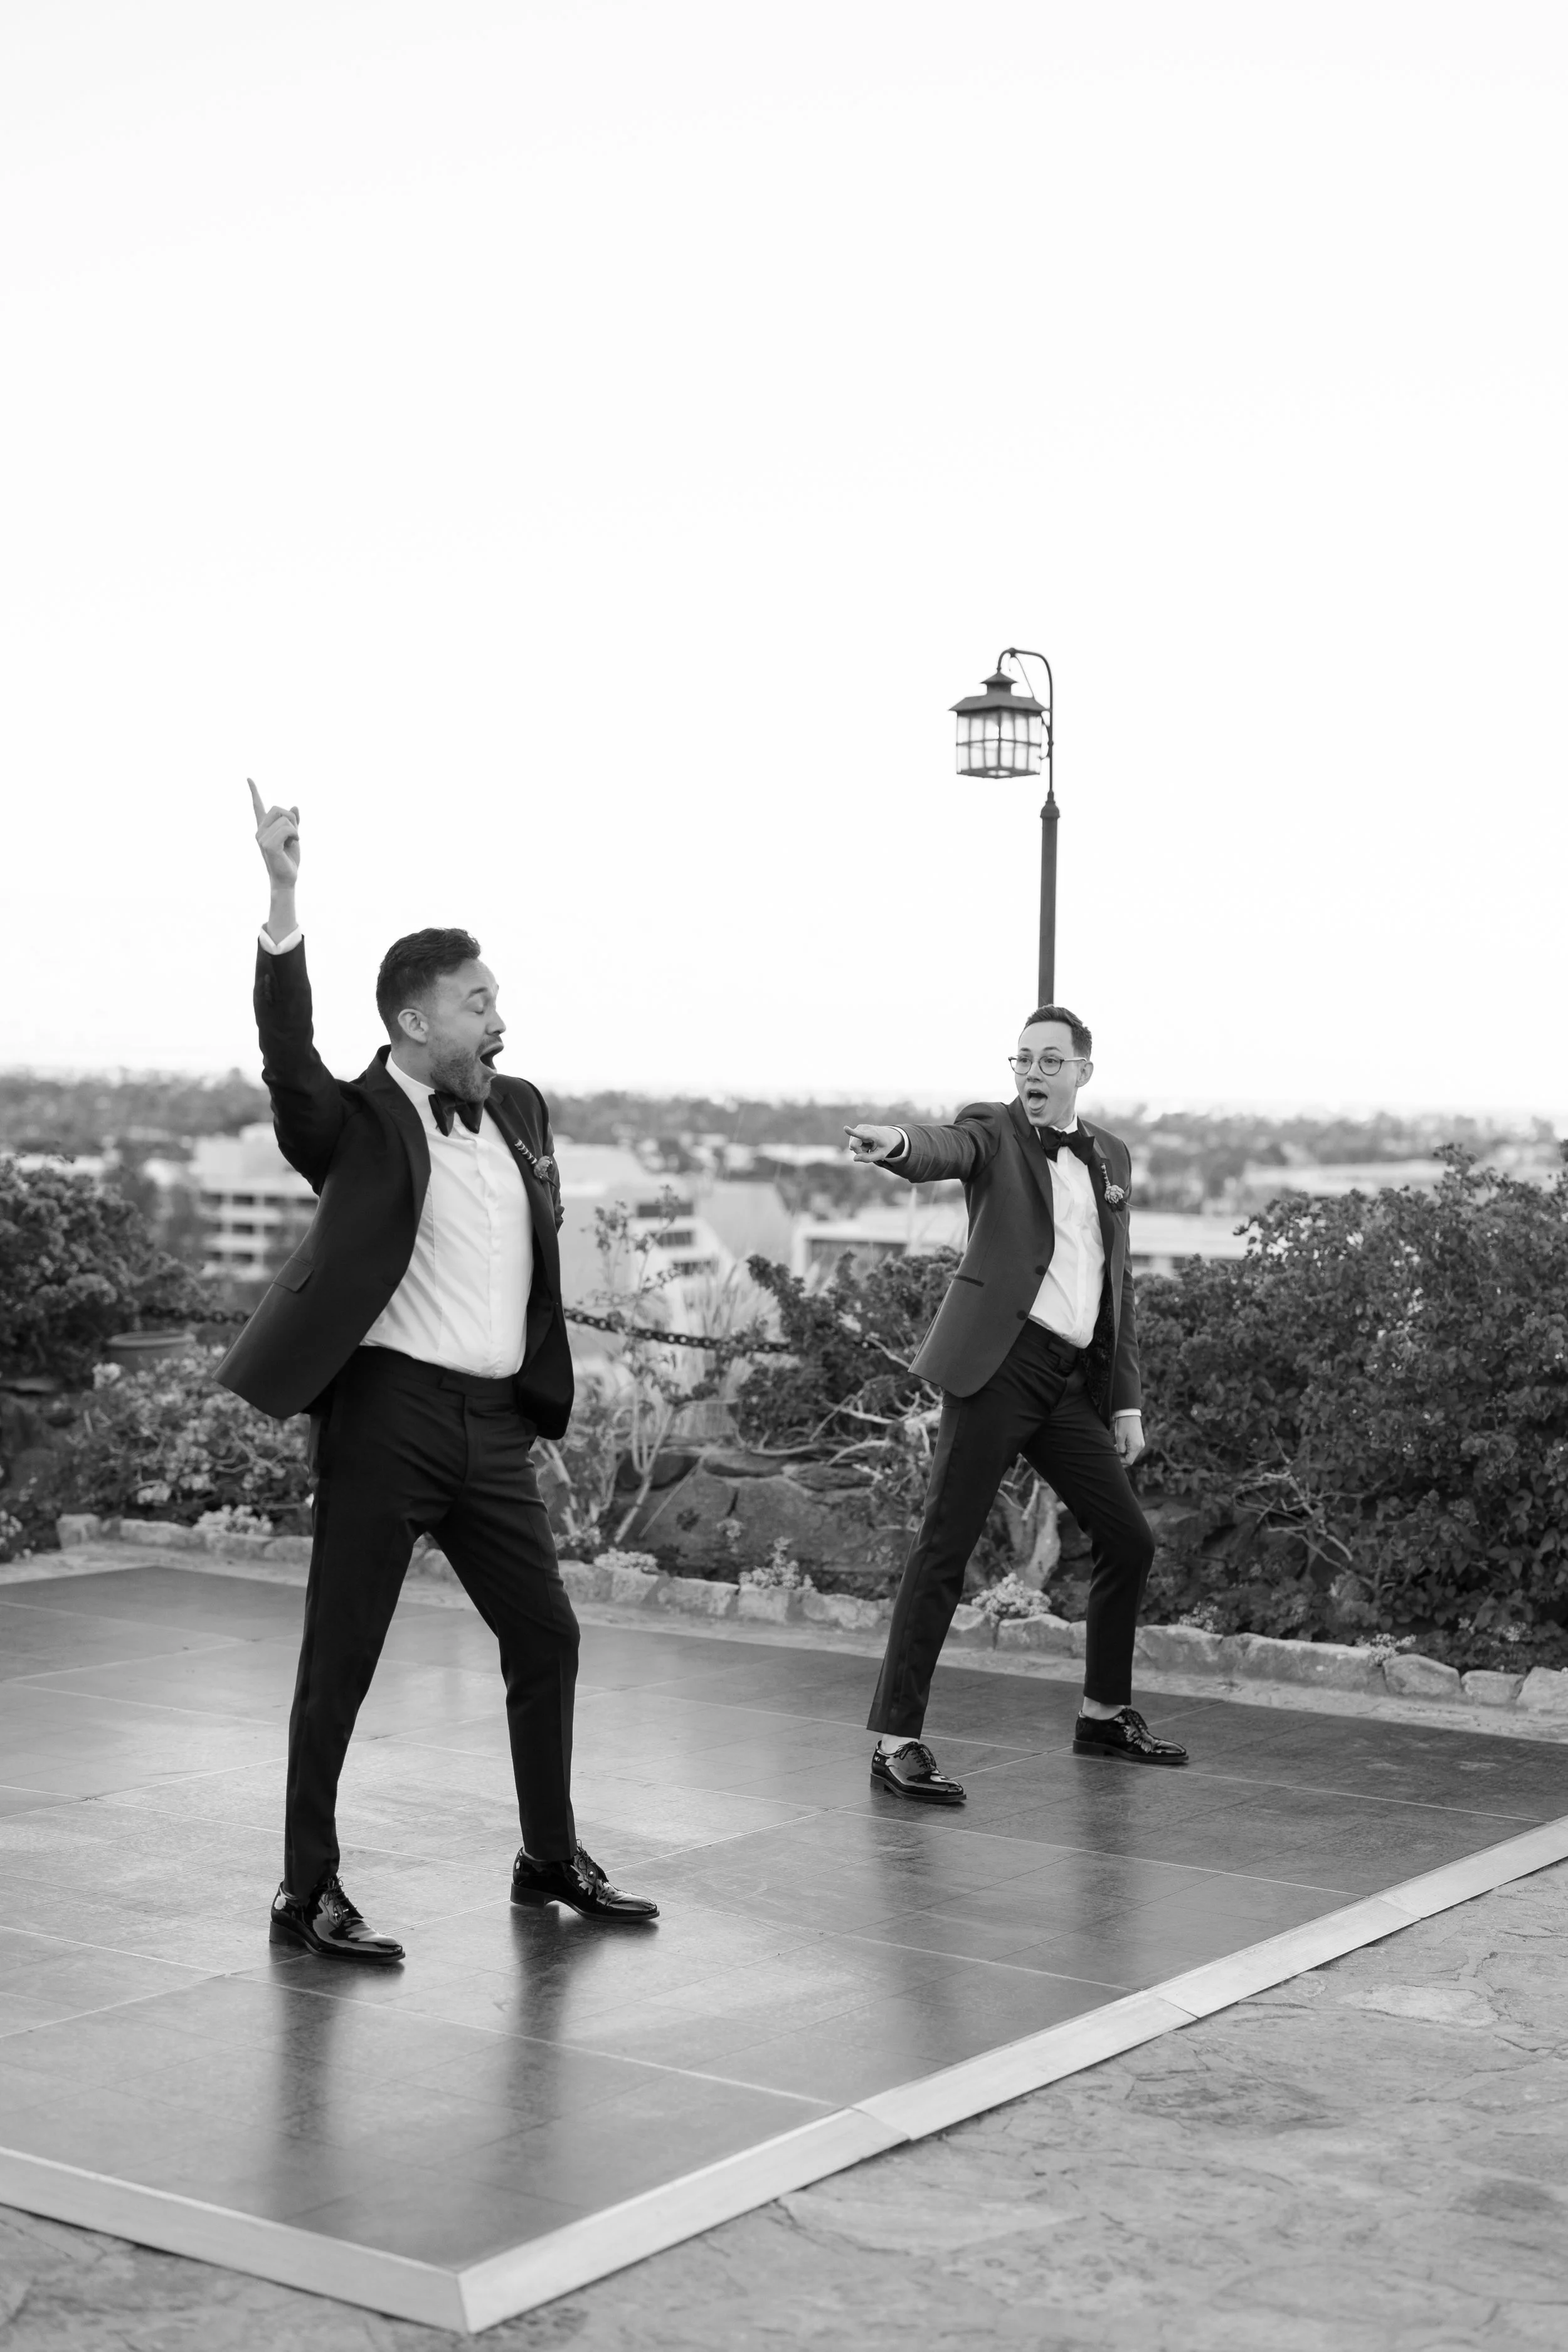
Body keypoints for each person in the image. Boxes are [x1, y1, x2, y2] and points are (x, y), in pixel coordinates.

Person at [221, 783, 657, 1961]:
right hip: (388, 1417)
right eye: (478, 1003)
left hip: (494, 1428)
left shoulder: (518, 1106)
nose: (498, 1018)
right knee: (344, 1658)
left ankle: (548, 1853)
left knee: (548, 1638)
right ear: (418, 1023)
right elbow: (285, 1052)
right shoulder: (353, 1121)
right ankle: (305, 1890)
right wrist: (281, 896)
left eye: (496, 997)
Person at [846, 1005, 1188, 1804]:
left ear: (1082, 1072)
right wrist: (897, 1144)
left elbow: (1117, 1287)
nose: (1031, 1073)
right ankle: (896, 1742)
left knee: (1128, 1538)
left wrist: (1126, 1402)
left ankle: (1103, 1713)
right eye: (1022, 1060)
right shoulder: (992, 1131)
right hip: (997, 1369)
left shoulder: (1111, 1156)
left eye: (1048, 1061)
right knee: (944, 1548)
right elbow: (944, 1148)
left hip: (1066, 1384)